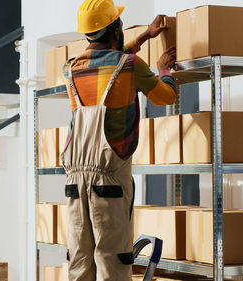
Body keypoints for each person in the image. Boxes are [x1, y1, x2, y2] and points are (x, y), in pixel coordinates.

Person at [61, 1, 177, 280]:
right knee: (113, 262)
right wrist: (165, 72)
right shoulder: (130, 65)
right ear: (115, 29)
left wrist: (143, 37)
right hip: (109, 180)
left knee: (79, 262)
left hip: (74, 181)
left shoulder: (71, 69)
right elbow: (165, 97)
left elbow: (108, 61)